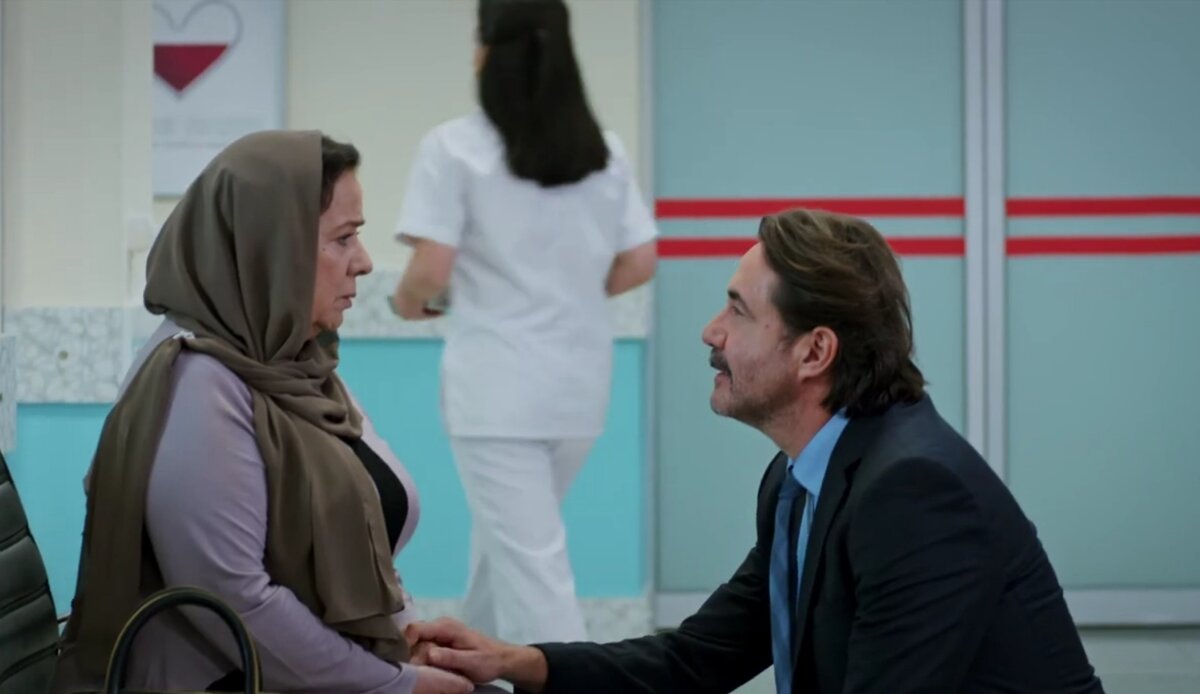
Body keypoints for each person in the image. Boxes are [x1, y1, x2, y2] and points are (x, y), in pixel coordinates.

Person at [403, 209, 1106, 693]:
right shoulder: (801, 476)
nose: (711, 332)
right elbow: (695, 660)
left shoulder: (914, 491)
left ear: (814, 352)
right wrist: (516, 661)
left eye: (738, 310)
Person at [50, 131, 483, 693]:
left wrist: (409, 639)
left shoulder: (298, 364)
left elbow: (367, 542)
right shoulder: (196, 382)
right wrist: (395, 684)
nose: (365, 263)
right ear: (270, 248)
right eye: (343, 238)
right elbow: (234, 601)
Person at [389, 0, 657, 646]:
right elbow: (640, 259)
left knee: (533, 571)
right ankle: (471, 671)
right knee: (504, 552)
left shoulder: (454, 148)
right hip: (578, 389)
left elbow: (430, 268)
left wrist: (408, 301)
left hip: (498, 395)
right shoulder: (603, 153)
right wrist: (570, 292)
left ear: (485, 51)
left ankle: (572, 680)